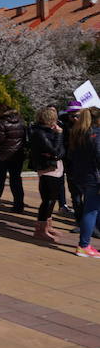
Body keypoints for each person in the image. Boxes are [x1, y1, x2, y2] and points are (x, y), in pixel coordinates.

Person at [67, 108, 100, 256]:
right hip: (94, 177)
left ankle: (85, 244)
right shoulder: (96, 135)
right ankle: (84, 245)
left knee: (94, 210)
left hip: (82, 176)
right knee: (91, 210)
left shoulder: (78, 134)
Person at [30, 106, 65, 242]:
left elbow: (60, 151)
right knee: (48, 199)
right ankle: (40, 230)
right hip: (48, 169)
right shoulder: (40, 133)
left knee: (52, 199)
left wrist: (57, 152)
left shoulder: (48, 131)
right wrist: (59, 135)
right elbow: (56, 151)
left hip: (53, 167)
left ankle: (47, 225)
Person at [0, 103, 28, 213]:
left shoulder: (1, 122)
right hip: (17, 155)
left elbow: (0, 140)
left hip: (3, 155)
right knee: (16, 181)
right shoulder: (21, 121)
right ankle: (19, 205)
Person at [60, 100, 82, 222]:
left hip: (86, 165)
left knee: (88, 195)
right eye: (71, 115)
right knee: (75, 195)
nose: (73, 117)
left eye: (76, 115)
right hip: (71, 163)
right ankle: (79, 220)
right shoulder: (64, 126)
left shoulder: (88, 126)